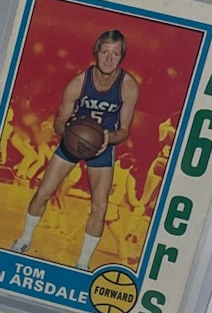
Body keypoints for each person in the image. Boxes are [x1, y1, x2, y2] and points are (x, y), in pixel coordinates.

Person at [10, 30, 140, 271]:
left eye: (115, 54)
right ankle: (24, 239)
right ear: (96, 53)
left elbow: (124, 131)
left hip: (102, 146)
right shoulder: (79, 82)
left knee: (100, 206)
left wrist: (107, 137)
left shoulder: (128, 87)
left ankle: (82, 263)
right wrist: (68, 132)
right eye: (105, 52)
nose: (109, 59)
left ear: (122, 57)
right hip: (73, 142)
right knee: (44, 191)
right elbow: (59, 121)